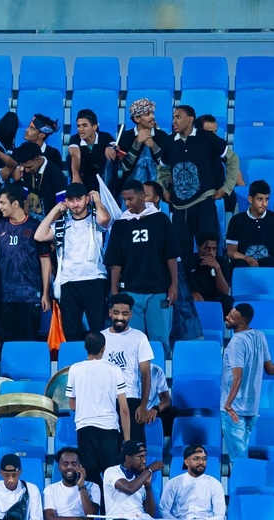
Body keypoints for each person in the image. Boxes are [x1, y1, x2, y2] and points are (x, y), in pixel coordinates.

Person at [106, 182, 179, 362]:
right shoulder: (120, 224)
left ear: (142, 197)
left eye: (130, 199)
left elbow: (171, 255)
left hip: (158, 290)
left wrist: (174, 284)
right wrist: (114, 289)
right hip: (130, 291)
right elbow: (115, 261)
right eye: (124, 200)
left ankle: (160, 376)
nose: (127, 203)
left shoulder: (161, 220)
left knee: (159, 340)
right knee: (132, 341)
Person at [222, 303, 274, 460]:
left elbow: (238, 376)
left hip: (234, 410)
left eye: (232, 317)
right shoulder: (259, 336)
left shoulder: (236, 343)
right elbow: (270, 369)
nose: (227, 318)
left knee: (238, 460)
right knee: (242, 457)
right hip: (251, 409)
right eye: (229, 314)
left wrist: (228, 405)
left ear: (242, 323)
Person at [156, 104, 229, 261]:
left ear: (190, 119)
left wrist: (227, 187)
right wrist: (163, 189)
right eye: (173, 117)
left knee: (208, 248)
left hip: (204, 203)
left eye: (178, 117)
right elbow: (162, 169)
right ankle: (186, 278)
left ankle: (210, 276)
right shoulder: (169, 142)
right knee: (181, 252)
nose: (174, 121)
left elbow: (232, 159)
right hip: (179, 207)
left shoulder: (207, 137)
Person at [36, 182, 109, 339]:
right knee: (71, 332)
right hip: (68, 282)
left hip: (94, 279)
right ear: (66, 202)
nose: (75, 204)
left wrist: (97, 201)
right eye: (71, 200)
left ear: (86, 199)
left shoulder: (95, 219)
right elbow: (39, 235)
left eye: (79, 199)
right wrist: (55, 210)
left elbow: (104, 219)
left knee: (98, 330)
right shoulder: (61, 224)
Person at [66, 331, 130, 503]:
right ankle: (111, 514)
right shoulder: (114, 370)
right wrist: (127, 440)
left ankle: (95, 514)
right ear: (104, 348)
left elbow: (72, 405)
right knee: (111, 477)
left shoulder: (75, 369)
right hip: (109, 430)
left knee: (91, 479)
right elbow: (124, 409)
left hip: (85, 430)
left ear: (85, 348)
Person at [0, 186, 51, 346]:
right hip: (5, 296)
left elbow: (45, 262)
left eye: (3, 203)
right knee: (6, 344)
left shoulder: (36, 227)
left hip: (30, 296)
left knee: (29, 343)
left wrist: (45, 293)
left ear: (15, 204)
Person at [224, 180, 274, 274]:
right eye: (260, 199)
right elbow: (231, 252)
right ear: (250, 199)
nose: (264, 203)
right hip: (245, 264)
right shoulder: (236, 220)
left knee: (272, 264)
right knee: (238, 266)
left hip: (270, 265)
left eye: (267, 199)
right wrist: (247, 258)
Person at [102, 294, 155, 430]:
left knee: (134, 443)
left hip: (131, 398)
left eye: (125, 314)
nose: (120, 317)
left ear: (131, 315)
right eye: (116, 313)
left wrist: (143, 405)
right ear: (110, 312)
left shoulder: (140, 338)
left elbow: (146, 374)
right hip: (105, 400)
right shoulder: (100, 337)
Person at [157, 444, 225, 520]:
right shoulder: (174, 483)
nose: (201, 462)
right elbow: (163, 510)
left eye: (204, 459)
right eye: (196, 458)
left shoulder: (214, 484)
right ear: (187, 462)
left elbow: (220, 514)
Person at [41, 448, 100, 520]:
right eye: (65, 464)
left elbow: (91, 515)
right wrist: (80, 519)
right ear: (59, 466)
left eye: (74, 464)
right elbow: (51, 519)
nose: (69, 467)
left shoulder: (93, 487)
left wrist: (81, 486)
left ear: (80, 466)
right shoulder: (50, 489)